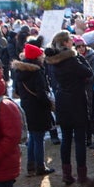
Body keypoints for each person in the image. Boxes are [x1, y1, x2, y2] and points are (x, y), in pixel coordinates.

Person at [44, 30, 93, 184]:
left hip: (62, 100)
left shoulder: (52, 61)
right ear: (65, 43)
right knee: (79, 139)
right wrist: (79, 57)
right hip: (76, 101)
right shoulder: (72, 61)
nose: (73, 42)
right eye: (71, 40)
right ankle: (82, 175)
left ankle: (67, 174)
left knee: (65, 138)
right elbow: (88, 72)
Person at [13, 43, 55, 177]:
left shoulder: (19, 71)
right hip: (38, 108)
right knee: (39, 138)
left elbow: (17, 91)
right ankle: (40, 166)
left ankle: (30, 165)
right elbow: (41, 94)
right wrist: (49, 104)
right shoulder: (36, 72)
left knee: (32, 137)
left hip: (27, 106)